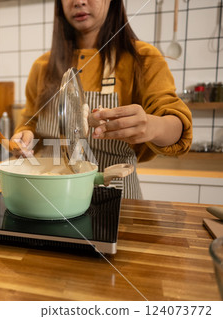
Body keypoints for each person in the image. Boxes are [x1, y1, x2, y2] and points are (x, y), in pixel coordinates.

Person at [10, 0, 192, 199]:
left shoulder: (143, 58)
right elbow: (30, 121)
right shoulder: (43, 65)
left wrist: (150, 126)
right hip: (51, 197)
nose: (79, 2)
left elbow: (178, 128)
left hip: (117, 197)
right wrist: (23, 137)